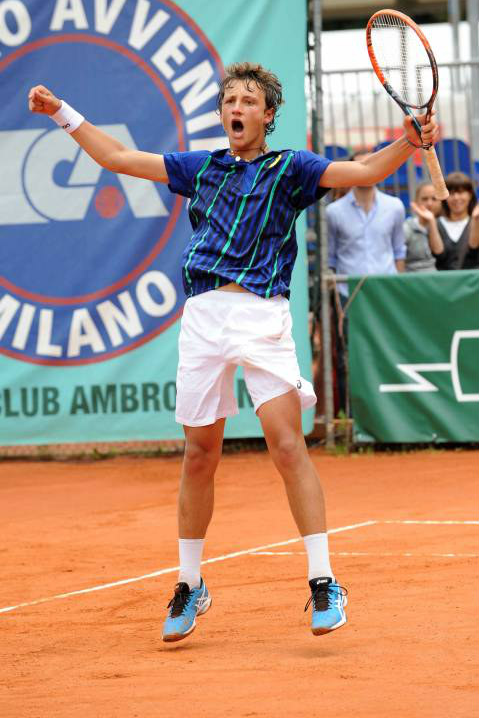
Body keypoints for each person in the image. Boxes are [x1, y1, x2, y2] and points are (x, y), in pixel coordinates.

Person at [28, 62, 437, 642]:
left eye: (247, 100)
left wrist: (407, 142)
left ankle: (323, 581)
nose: (235, 108)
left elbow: (366, 168)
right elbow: (119, 159)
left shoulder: (291, 168)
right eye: (228, 101)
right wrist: (60, 113)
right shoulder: (204, 167)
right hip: (202, 317)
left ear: (268, 114)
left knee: (286, 444)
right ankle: (190, 584)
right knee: (199, 453)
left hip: (261, 315)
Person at [326, 151, 407, 412]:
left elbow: (399, 252)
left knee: (390, 351)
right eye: (361, 164)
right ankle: (353, 416)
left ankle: (394, 411)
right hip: (348, 296)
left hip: (386, 293)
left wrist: (400, 289)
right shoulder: (333, 212)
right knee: (350, 356)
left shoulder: (395, 207)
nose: (367, 169)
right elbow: (331, 258)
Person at [431, 172, 479, 270]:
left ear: (470, 195)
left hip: (473, 283)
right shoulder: (436, 223)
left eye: (461, 192)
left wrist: (475, 220)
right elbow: (439, 255)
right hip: (444, 282)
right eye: (451, 193)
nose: (456, 198)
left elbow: (473, 252)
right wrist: (431, 222)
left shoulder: (476, 220)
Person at [404, 181, 441, 272]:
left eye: (434, 199)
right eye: (424, 199)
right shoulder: (407, 227)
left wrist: (431, 221)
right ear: (416, 202)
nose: (429, 203)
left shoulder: (443, 224)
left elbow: (438, 250)